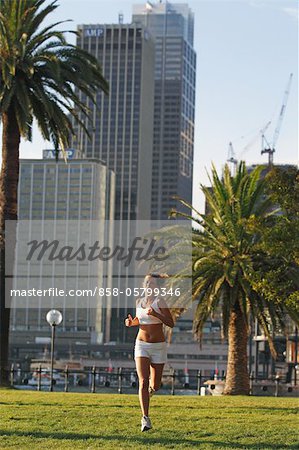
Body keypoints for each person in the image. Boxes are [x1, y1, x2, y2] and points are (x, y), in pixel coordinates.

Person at [125, 273, 174, 432]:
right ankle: (145, 419)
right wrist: (132, 323)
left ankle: (151, 392)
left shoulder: (160, 302)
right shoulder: (139, 302)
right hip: (141, 345)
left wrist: (156, 314)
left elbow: (170, 323)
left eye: (152, 283)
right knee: (143, 382)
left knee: (155, 384)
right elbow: (140, 320)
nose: (149, 286)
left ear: (156, 286)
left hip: (158, 346)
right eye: (146, 283)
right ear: (143, 285)